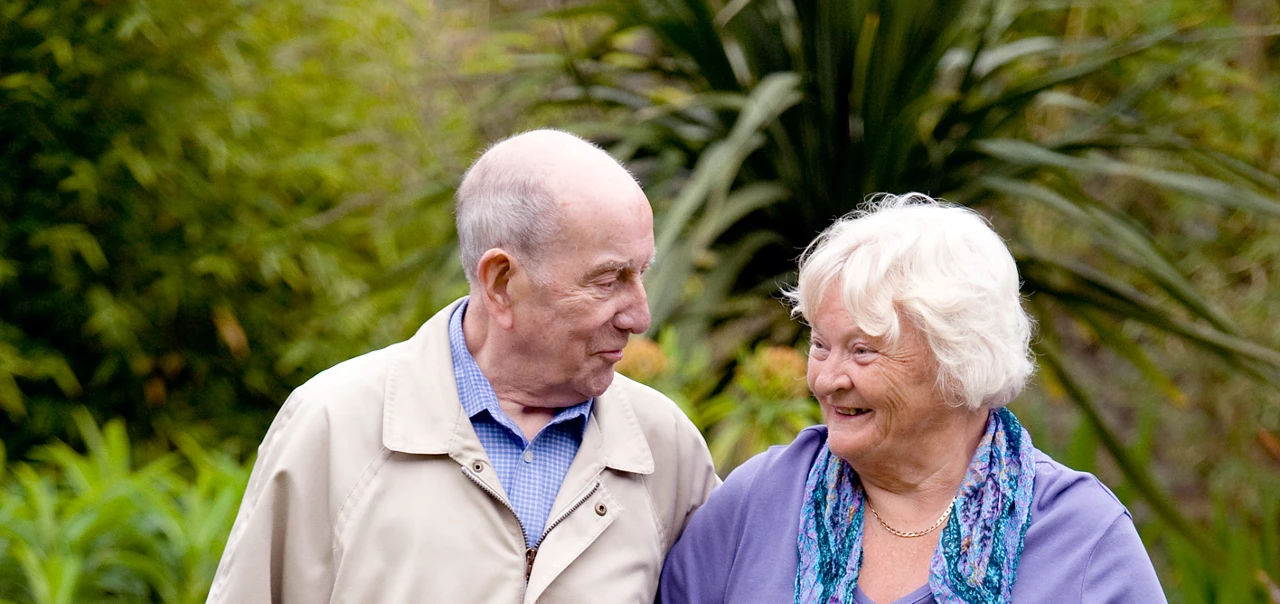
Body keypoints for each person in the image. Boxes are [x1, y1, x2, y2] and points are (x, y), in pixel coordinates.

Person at [208, 129, 719, 603]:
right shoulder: (333, 424)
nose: (641, 315)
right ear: (500, 282)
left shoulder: (666, 447)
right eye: (609, 280)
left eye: (642, 273)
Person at [658, 193, 1165, 603]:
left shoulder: (1079, 535)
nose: (828, 378)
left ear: (958, 359)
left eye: (862, 351)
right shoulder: (762, 499)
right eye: (819, 344)